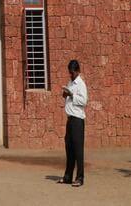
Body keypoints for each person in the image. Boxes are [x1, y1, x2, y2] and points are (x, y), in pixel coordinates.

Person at [58, 59, 88, 188]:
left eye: (72, 72)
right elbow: (70, 97)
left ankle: (80, 178)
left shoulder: (81, 84)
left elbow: (84, 101)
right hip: (70, 119)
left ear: (78, 71)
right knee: (69, 149)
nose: (70, 75)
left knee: (78, 150)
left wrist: (72, 95)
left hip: (77, 120)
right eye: (69, 73)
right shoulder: (70, 82)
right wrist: (66, 94)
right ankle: (68, 177)